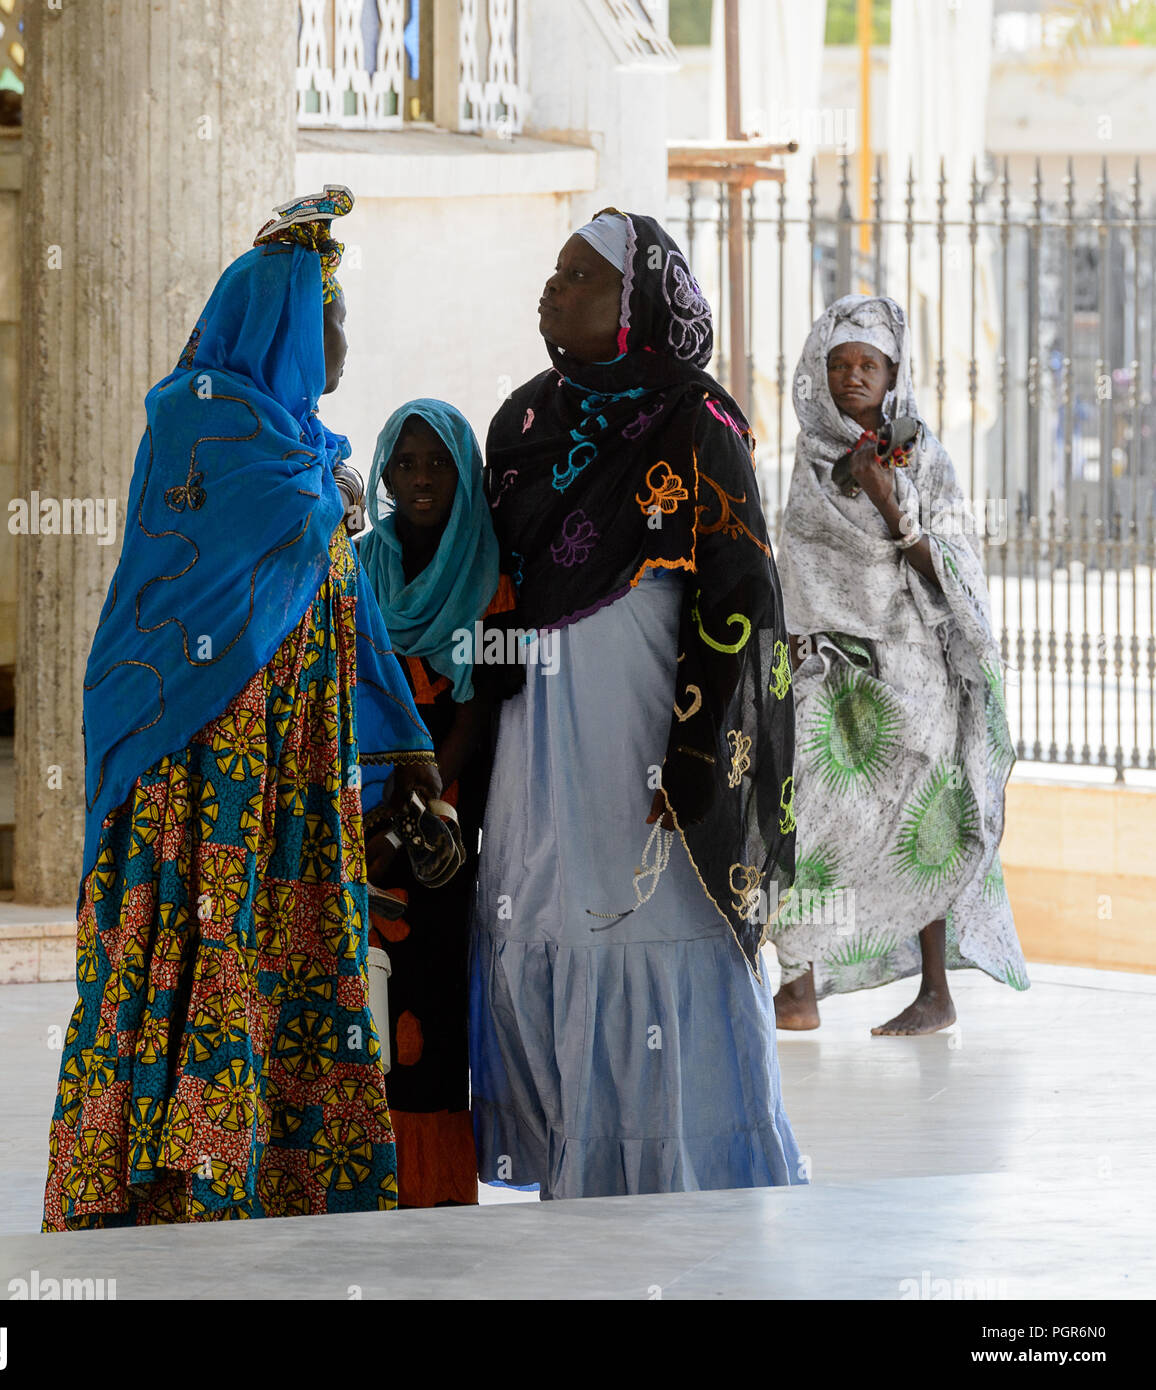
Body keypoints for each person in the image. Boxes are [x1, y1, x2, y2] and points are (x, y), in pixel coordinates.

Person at [41, 188, 440, 1230]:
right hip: (203, 772)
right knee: (196, 949)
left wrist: (410, 748)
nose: (342, 339)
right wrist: (327, 504)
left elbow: (347, 618)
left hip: (295, 774)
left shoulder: (311, 453)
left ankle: (284, 1172)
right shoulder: (202, 426)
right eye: (328, 319)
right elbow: (189, 586)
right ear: (280, 328)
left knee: (291, 955)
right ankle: (168, 1172)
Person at [470, 209, 803, 1201]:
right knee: (551, 913)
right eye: (553, 273)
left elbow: (740, 597)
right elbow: (493, 584)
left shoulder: (696, 423)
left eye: (580, 276)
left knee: (651, 924)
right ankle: (579, 1152)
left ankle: (692, 1163)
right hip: (540, 738)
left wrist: (697, 754)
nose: (553, 290)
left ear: (637, 302)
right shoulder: (521, 422)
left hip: (648, 739)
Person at [770, 293, 1027, 1035]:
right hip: (829, 665)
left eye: (869, 366)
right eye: (840, 364)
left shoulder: (928, 459)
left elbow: (952, 566)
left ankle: (935, 992)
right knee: (812, 807)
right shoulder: (811, 463)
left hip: (916, 667)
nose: (853, 377)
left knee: (930, 818)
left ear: (893, 376)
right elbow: (803, 565)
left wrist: (890, 502)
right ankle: (799, 985)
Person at [356, 399, 519, 1208]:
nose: (421, 480)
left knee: (431, 1001)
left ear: (465, 473)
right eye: (406, 464)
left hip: (442, 824)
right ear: (385, 473)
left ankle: (429, 1186)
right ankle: (360, 1175)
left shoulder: (491, 579)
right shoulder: (359, 566)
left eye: (438, 464)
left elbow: (483, 708)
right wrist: (367, 819)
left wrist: (415, 810)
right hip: (357, 817)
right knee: (360, 1002)